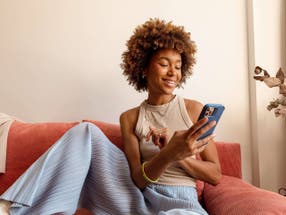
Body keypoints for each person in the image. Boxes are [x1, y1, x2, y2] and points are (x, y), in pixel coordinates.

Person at [0, 18, 221, 215]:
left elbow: (215, 175)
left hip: (181, 203)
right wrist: (166, 155)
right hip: (137, 199)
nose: (173, 72)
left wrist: (177, 154)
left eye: (178, 66)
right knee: (86, 132)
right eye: (164, 64)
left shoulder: (193, 110)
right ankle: (10, 208)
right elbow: (138, 180)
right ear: (143, 68)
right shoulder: (130, 118)